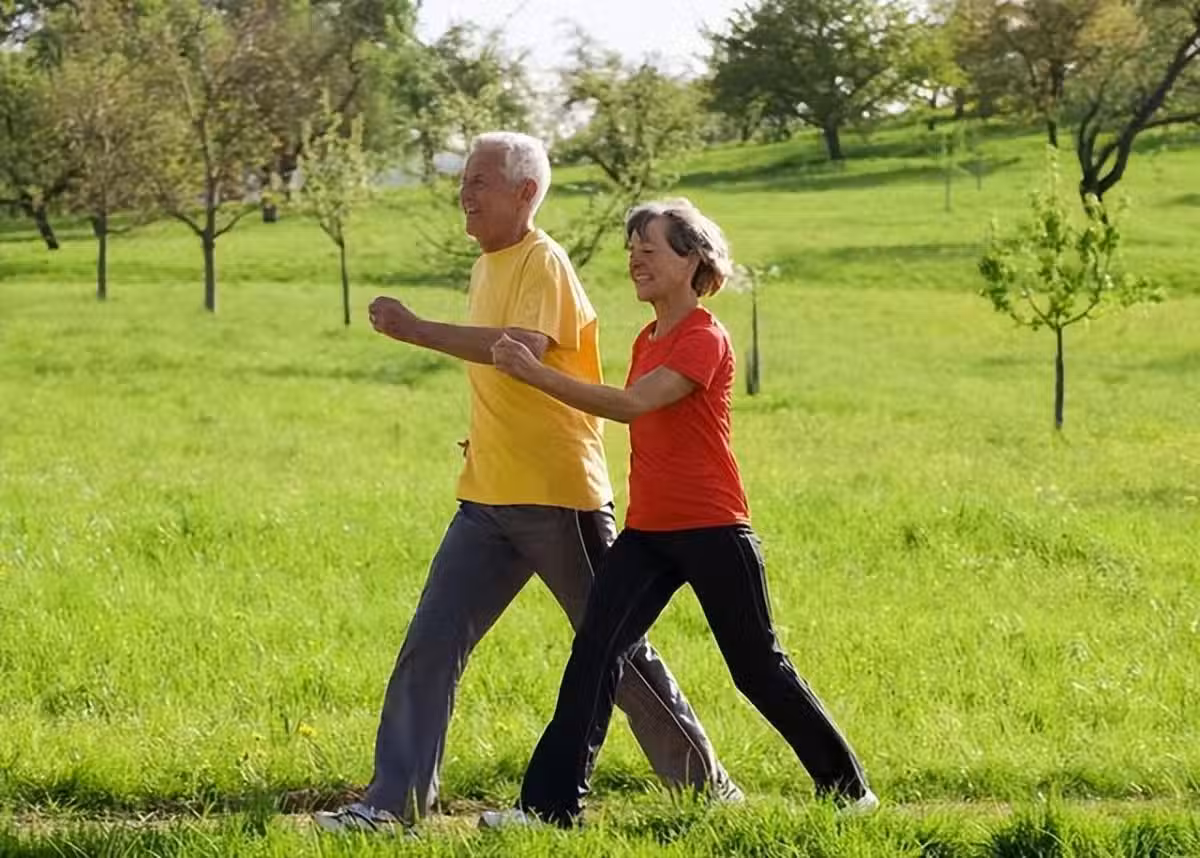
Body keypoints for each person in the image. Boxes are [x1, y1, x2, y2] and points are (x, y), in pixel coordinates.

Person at [314, 134, 739, 833]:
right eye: (464, 180)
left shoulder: (544, 260)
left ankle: (706, 786)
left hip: (557, 495)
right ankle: (392, 806)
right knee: (432, 642)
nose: (465, 194)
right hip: (487, 493)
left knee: (615, 650)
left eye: (480, 181)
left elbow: (520, 349)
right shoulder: (487, 265)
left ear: (526, 193)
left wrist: (418, 330)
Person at [481, 198, 878, 829]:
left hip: (713, 529)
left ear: (693, 260)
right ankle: (550, 808)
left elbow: (632, 405)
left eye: (650, 248)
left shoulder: (703, 337)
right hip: (648, 534)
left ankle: (849, 792)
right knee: (594, 655)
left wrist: (533, 373)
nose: (635, 259)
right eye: (631, 249)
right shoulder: (647, 338)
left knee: (757, 669)